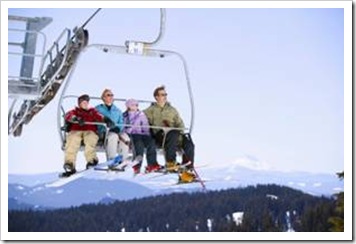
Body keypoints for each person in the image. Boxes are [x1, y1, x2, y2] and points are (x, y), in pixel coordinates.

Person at [144, 85, 196, 183]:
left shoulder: (172, 110)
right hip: (161, 135)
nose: (165, 96)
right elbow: (140, 119)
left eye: (165, 94)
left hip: (176, 134)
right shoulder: (151, 110)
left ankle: (187, 170)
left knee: (189, 144)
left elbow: (180, 124)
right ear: (156, 97)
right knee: (173, 133)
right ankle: (170, 162)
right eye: (162, 94)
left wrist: (180, 130)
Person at [62, 94, 114, 177]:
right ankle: (70, 164)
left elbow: (99, 116)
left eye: (86, 102)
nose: (85, 104)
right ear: (79, 104)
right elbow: (68, 116)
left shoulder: (92, 111)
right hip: (76, 130)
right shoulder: (75, 111)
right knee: (72, 140)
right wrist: (76, 119)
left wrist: (106, 119)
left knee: (90, 140)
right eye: (83, 102)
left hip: (90, 130)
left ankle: (91, 160)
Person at [123, 98, 164, 174]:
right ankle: (137, 165)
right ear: (128, 106)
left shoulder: (141, 114)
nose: (135, 106)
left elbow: (145, 126)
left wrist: (146, 134)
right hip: (132, 135)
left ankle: (152, 164)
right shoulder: (125, 116)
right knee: (139, 144)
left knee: (151, 142)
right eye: (133, 105)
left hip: (142, 134)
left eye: (136, 105)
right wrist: (130, 130)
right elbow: (124, 127)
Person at [95, 89, 131, 168]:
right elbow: (96, 119)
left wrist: (118, 128)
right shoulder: (98, 109)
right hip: (104, 131)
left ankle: (123, 159)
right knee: (113, 136)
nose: (110, 97)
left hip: (116, 131)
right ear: (103, 97)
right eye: (108, 95)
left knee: (125, 137)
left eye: (112, 95)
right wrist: (104, 127)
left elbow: (121, 122)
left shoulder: (117, 110)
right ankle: (112, 160)